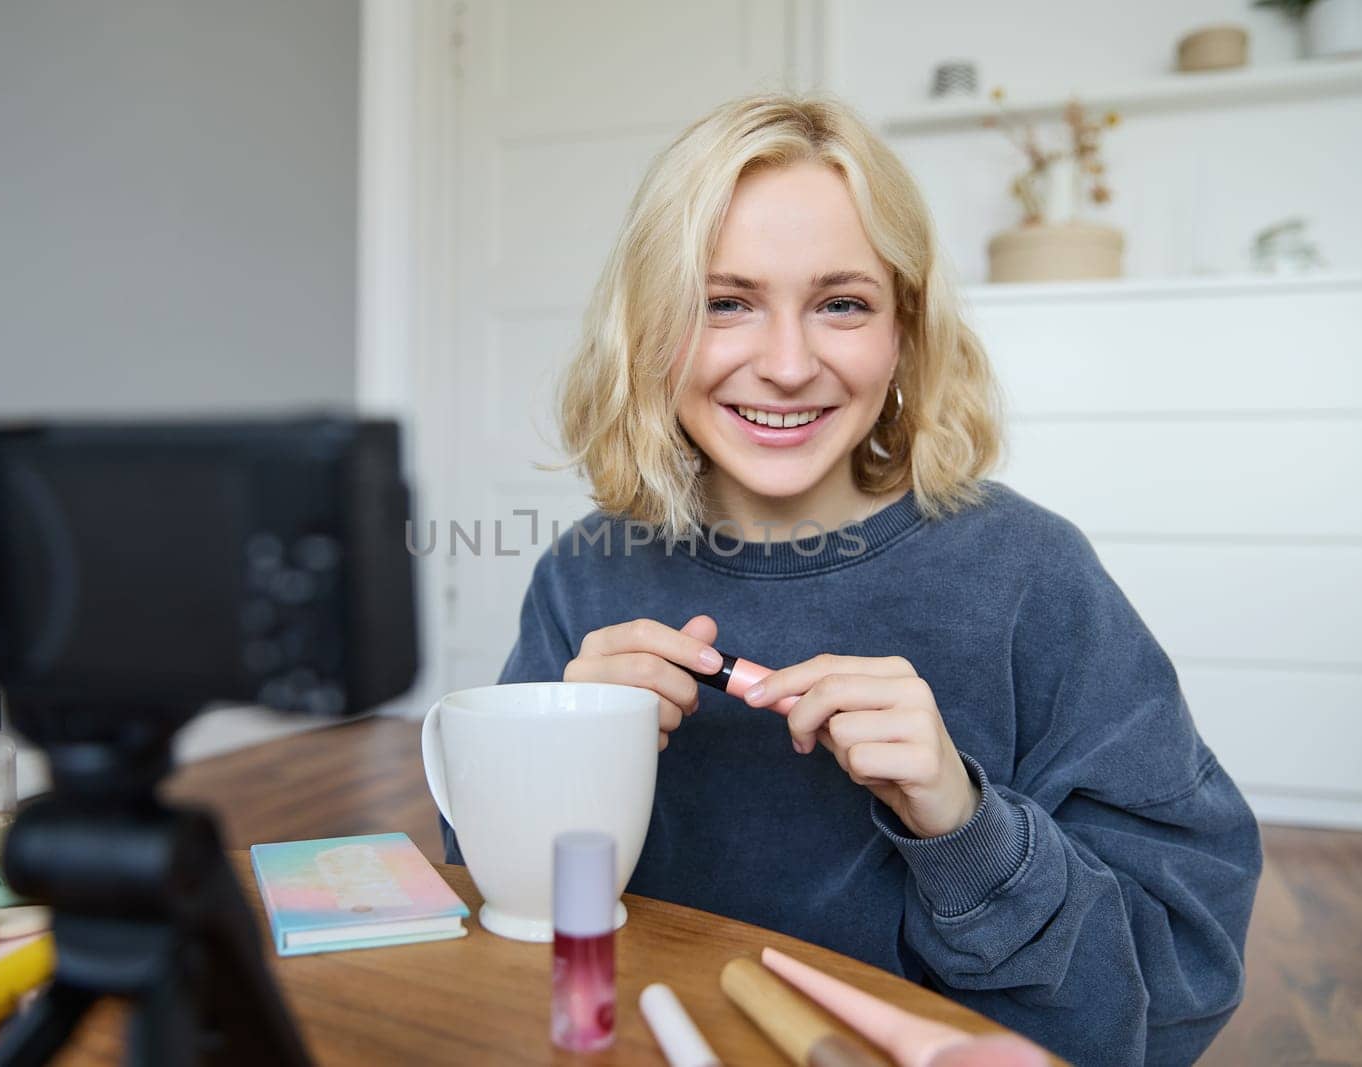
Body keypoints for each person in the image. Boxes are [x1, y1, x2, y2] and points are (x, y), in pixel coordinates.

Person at [443, 93, 1260, 1067]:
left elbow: (1180, 969)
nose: (786, 365)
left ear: (905, 330)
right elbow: (492, 903)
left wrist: (962, 817)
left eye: (842, 303)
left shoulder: (1029, 573)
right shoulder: (586, 568)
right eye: (723, 301)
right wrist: (555, 758)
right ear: (648, 326)